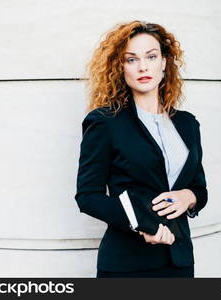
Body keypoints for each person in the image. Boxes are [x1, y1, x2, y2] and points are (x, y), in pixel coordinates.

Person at [74, 20, 208, 278]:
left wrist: (188, 197)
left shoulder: (188, 124)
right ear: (120, 67)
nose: (143, 66)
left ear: (164, 63)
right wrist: (142, 224)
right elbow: (88, 196)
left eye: (151, 56)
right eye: (131, 59)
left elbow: (199, 188)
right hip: (127, 263)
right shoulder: (105, 122)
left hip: (179, 260)